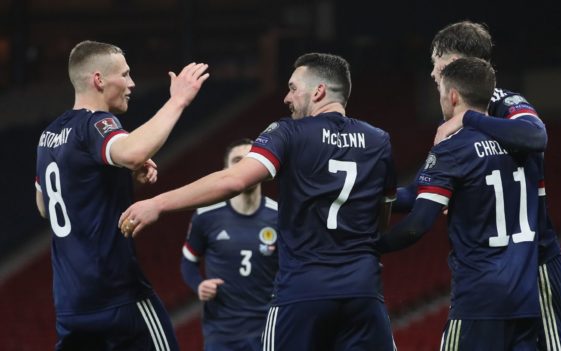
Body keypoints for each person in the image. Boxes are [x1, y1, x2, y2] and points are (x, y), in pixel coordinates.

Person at [120, 52, 398, 351]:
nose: (286, 98)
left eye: (293, 88)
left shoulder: (289, 132)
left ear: (318, 92)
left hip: (302, 293)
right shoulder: (378, 140)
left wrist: (158, 203)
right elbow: (383, 215)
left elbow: (233, 180)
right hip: (363, 292)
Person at [394, 20, 561, 351]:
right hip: (496, 267)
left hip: (536, 258)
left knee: (550, 345)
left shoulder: (504, 103)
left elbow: (536, 136)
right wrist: (368, 198)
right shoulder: (458, 119)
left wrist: (469, 118)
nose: (433, 73)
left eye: (437, 63)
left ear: (457, 62)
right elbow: (421, 192)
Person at [35, 40, 209, 350]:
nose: (132, 83)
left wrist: (117, 176)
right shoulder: (97, 123)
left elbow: (45, 206)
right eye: (125, 74)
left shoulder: (50, 135)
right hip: (117, 297)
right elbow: (133, 151)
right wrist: (178, 101)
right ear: (99, 80)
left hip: (71, 303)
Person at [378, 57, 543, 350]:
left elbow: (416, 226)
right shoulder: (523, 147)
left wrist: (369, 245)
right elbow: (420, 192)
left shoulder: (454, 149)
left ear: (452, 95)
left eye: (440, 90)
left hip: (478, 302)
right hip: (525, 301)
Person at [180, 138, 279, 351]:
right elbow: (188, 262)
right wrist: (198, 284)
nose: (245, 167)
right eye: (237, 161)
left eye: (251, 160)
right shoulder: (205, 216)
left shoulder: (281, 216)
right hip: (222, 332)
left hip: (269, 329)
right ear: (226, 170)